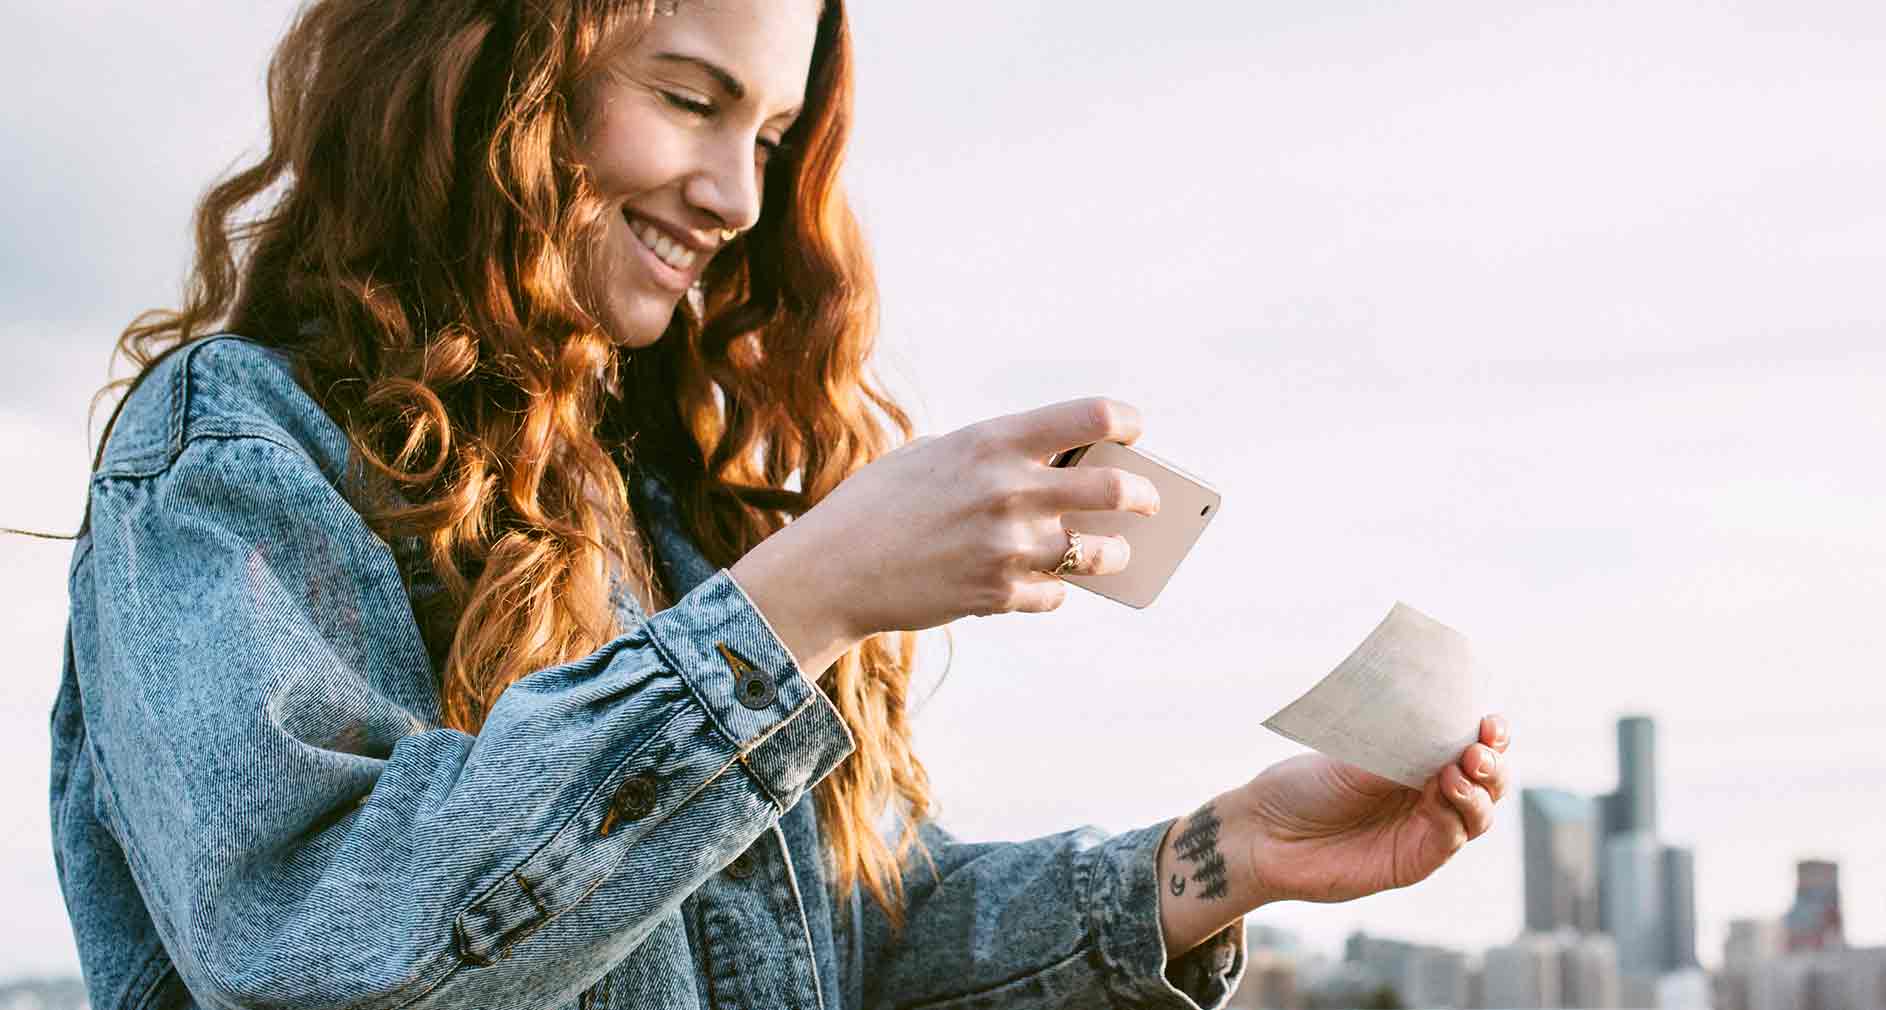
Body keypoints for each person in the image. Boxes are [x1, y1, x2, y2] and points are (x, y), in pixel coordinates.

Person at [44, 1, 1514, 1007]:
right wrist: (800, 603)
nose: (741, 194)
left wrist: (1225, 855)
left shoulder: (658, 503)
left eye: (773, 133)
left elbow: (844, 955)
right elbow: (307, 940)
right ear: (491, 66)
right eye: (690, 100)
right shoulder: (233, 451)